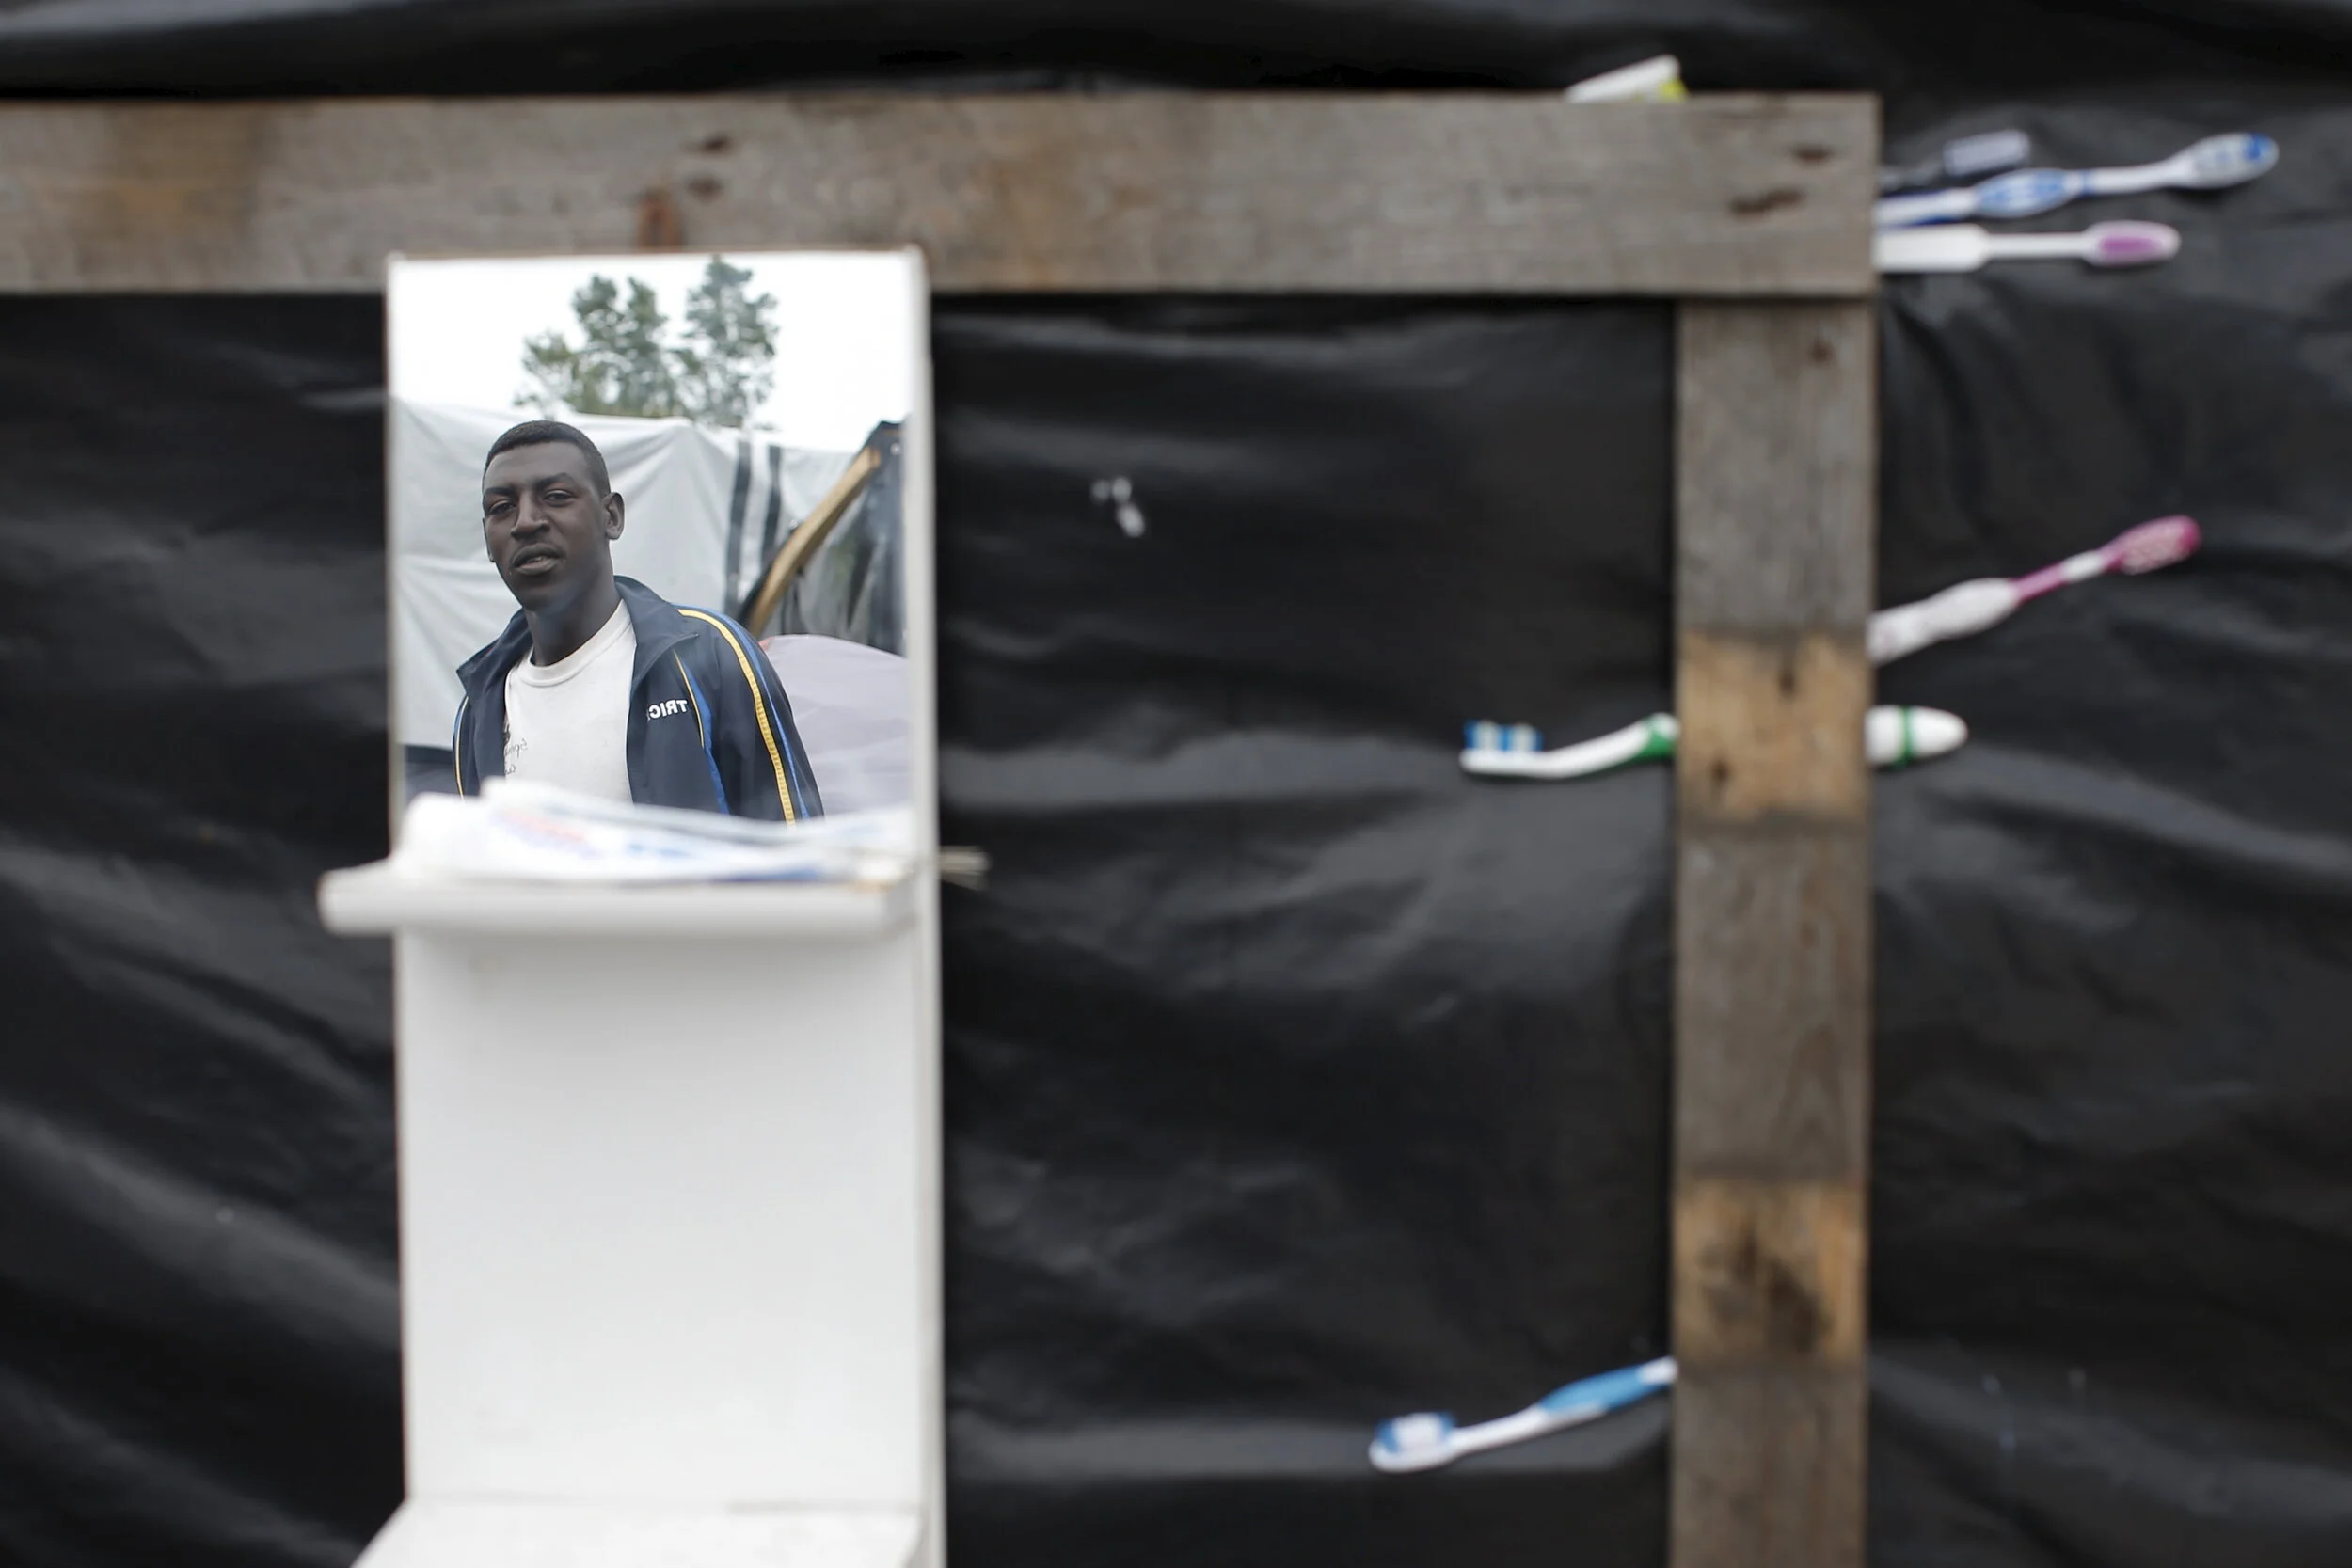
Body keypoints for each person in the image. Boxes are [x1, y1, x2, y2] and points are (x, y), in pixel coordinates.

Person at [451, 420, 822, 820]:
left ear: (611, 516)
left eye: (556, 496)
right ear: (488, 540)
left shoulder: (712, 655)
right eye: (501, 509)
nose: (525, 522)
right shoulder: (479, 709)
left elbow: (797, 847)